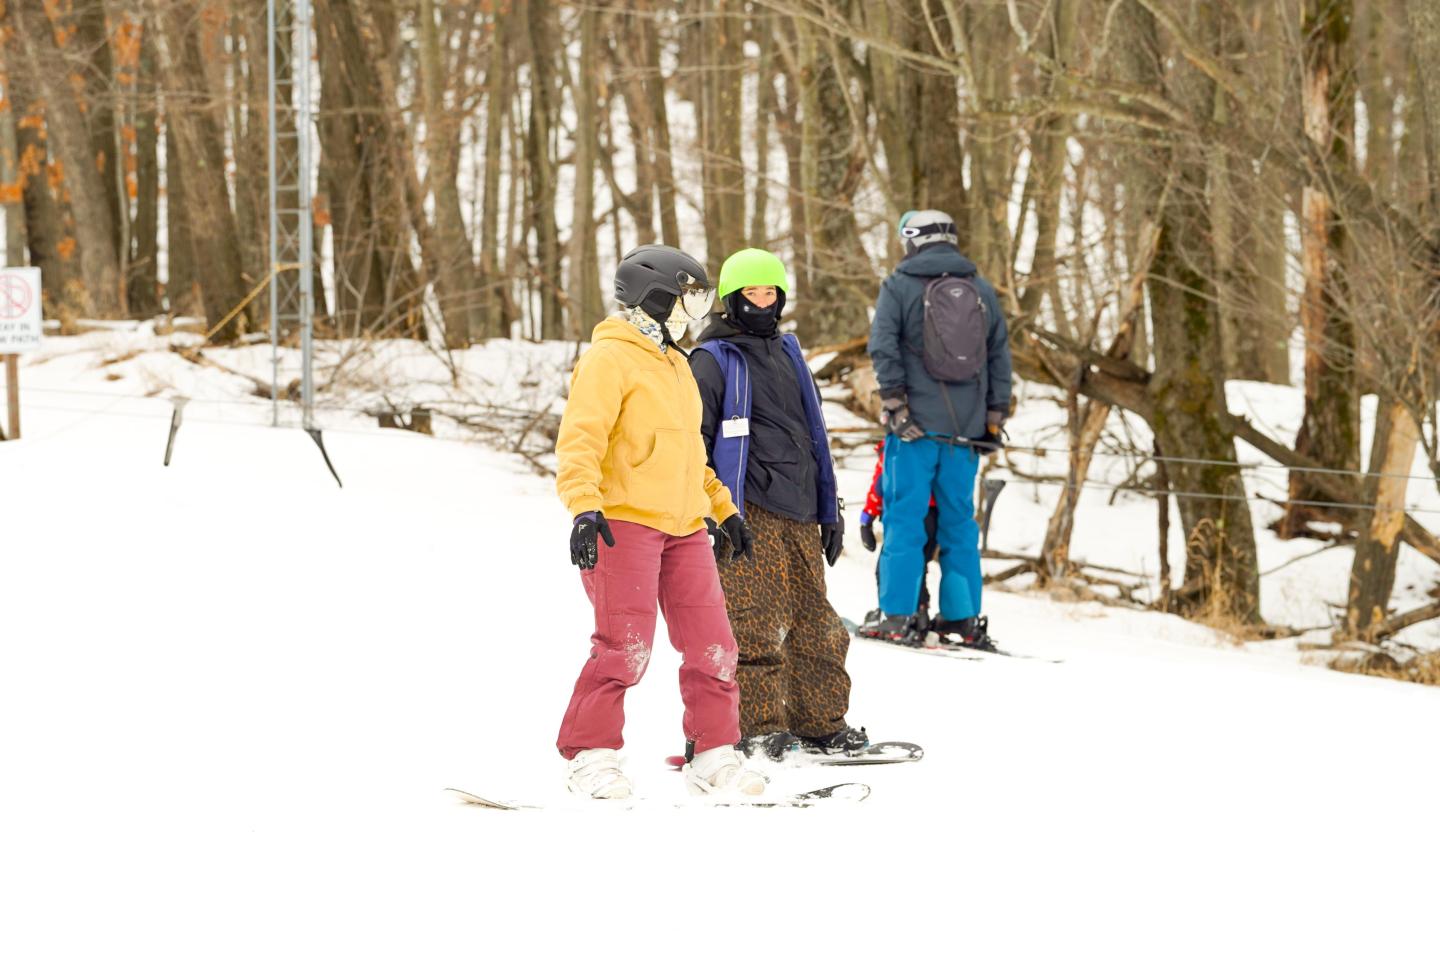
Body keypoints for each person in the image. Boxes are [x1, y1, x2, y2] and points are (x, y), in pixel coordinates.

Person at [554, 244, 765, 800]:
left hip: (686, 527)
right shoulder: (610, 358)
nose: (695, 310)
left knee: (714, 645)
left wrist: (723, 508)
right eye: (688, 297)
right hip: (623, 523)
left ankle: (713, 753)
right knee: (625, 647)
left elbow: (691, 454)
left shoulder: (677, 364)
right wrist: (583, 506)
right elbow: (580, 440)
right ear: (655, 297)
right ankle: (591, 757)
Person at [689, 247, 867, 761]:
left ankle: (820, 722)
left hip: (801, 509)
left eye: (771, 293)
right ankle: (760, 726)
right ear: (730, 299)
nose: (762, 302)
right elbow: (695, 440)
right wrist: (712, 510)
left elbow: (814, 433)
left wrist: (828, 508)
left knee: (818, 623)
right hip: (747, 510)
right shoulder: (714, 359)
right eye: (751, 293)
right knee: (757, 622)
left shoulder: (789, 352)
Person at [866, 210, 1012, 646]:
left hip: (915, 430)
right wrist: (993, 417)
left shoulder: (899, 286)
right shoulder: (981, 289)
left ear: (913, 240)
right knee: (960, 524)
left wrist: (895, 405)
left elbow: (882, 345)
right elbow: (999, 355)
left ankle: (898, 614)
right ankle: (962, 617)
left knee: (905, 520)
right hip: (966, 432)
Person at [857, 441, 940, 637]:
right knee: (918, 566)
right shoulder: (938, 445)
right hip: (935, 514)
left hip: (906, 514)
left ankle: (894, 618)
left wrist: (867, 518)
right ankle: (919, 615)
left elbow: (880, 484)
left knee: (889, 567)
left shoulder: (896, 446)